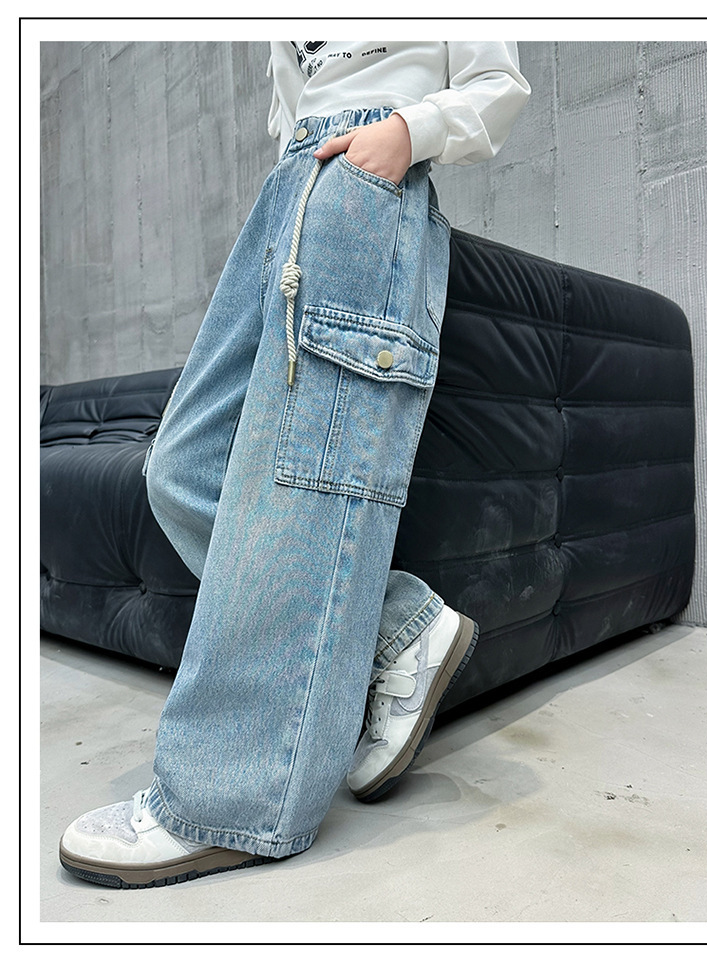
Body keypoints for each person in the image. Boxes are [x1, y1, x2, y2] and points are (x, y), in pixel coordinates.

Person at [58, 40, 531, 888]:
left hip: (366, 183)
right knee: (183, 464)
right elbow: (290, 99)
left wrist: (405, 133)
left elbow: (498, 83)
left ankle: (228, 800)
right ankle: (399, 626)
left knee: (304, 479)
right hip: (287, 189)